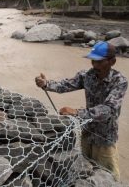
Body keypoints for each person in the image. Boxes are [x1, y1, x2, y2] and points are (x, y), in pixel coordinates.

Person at [35, 41, 128, 181]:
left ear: (112, 61)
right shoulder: (87, 75)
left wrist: (77, 112)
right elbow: (65, 85)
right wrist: (46, 84)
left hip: (105, 137)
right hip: (87, 132)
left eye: (99, 61)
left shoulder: (119, 82)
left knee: (110, 176)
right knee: (87, 169)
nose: (94, 65)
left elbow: (109, 109)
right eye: (92, 61)